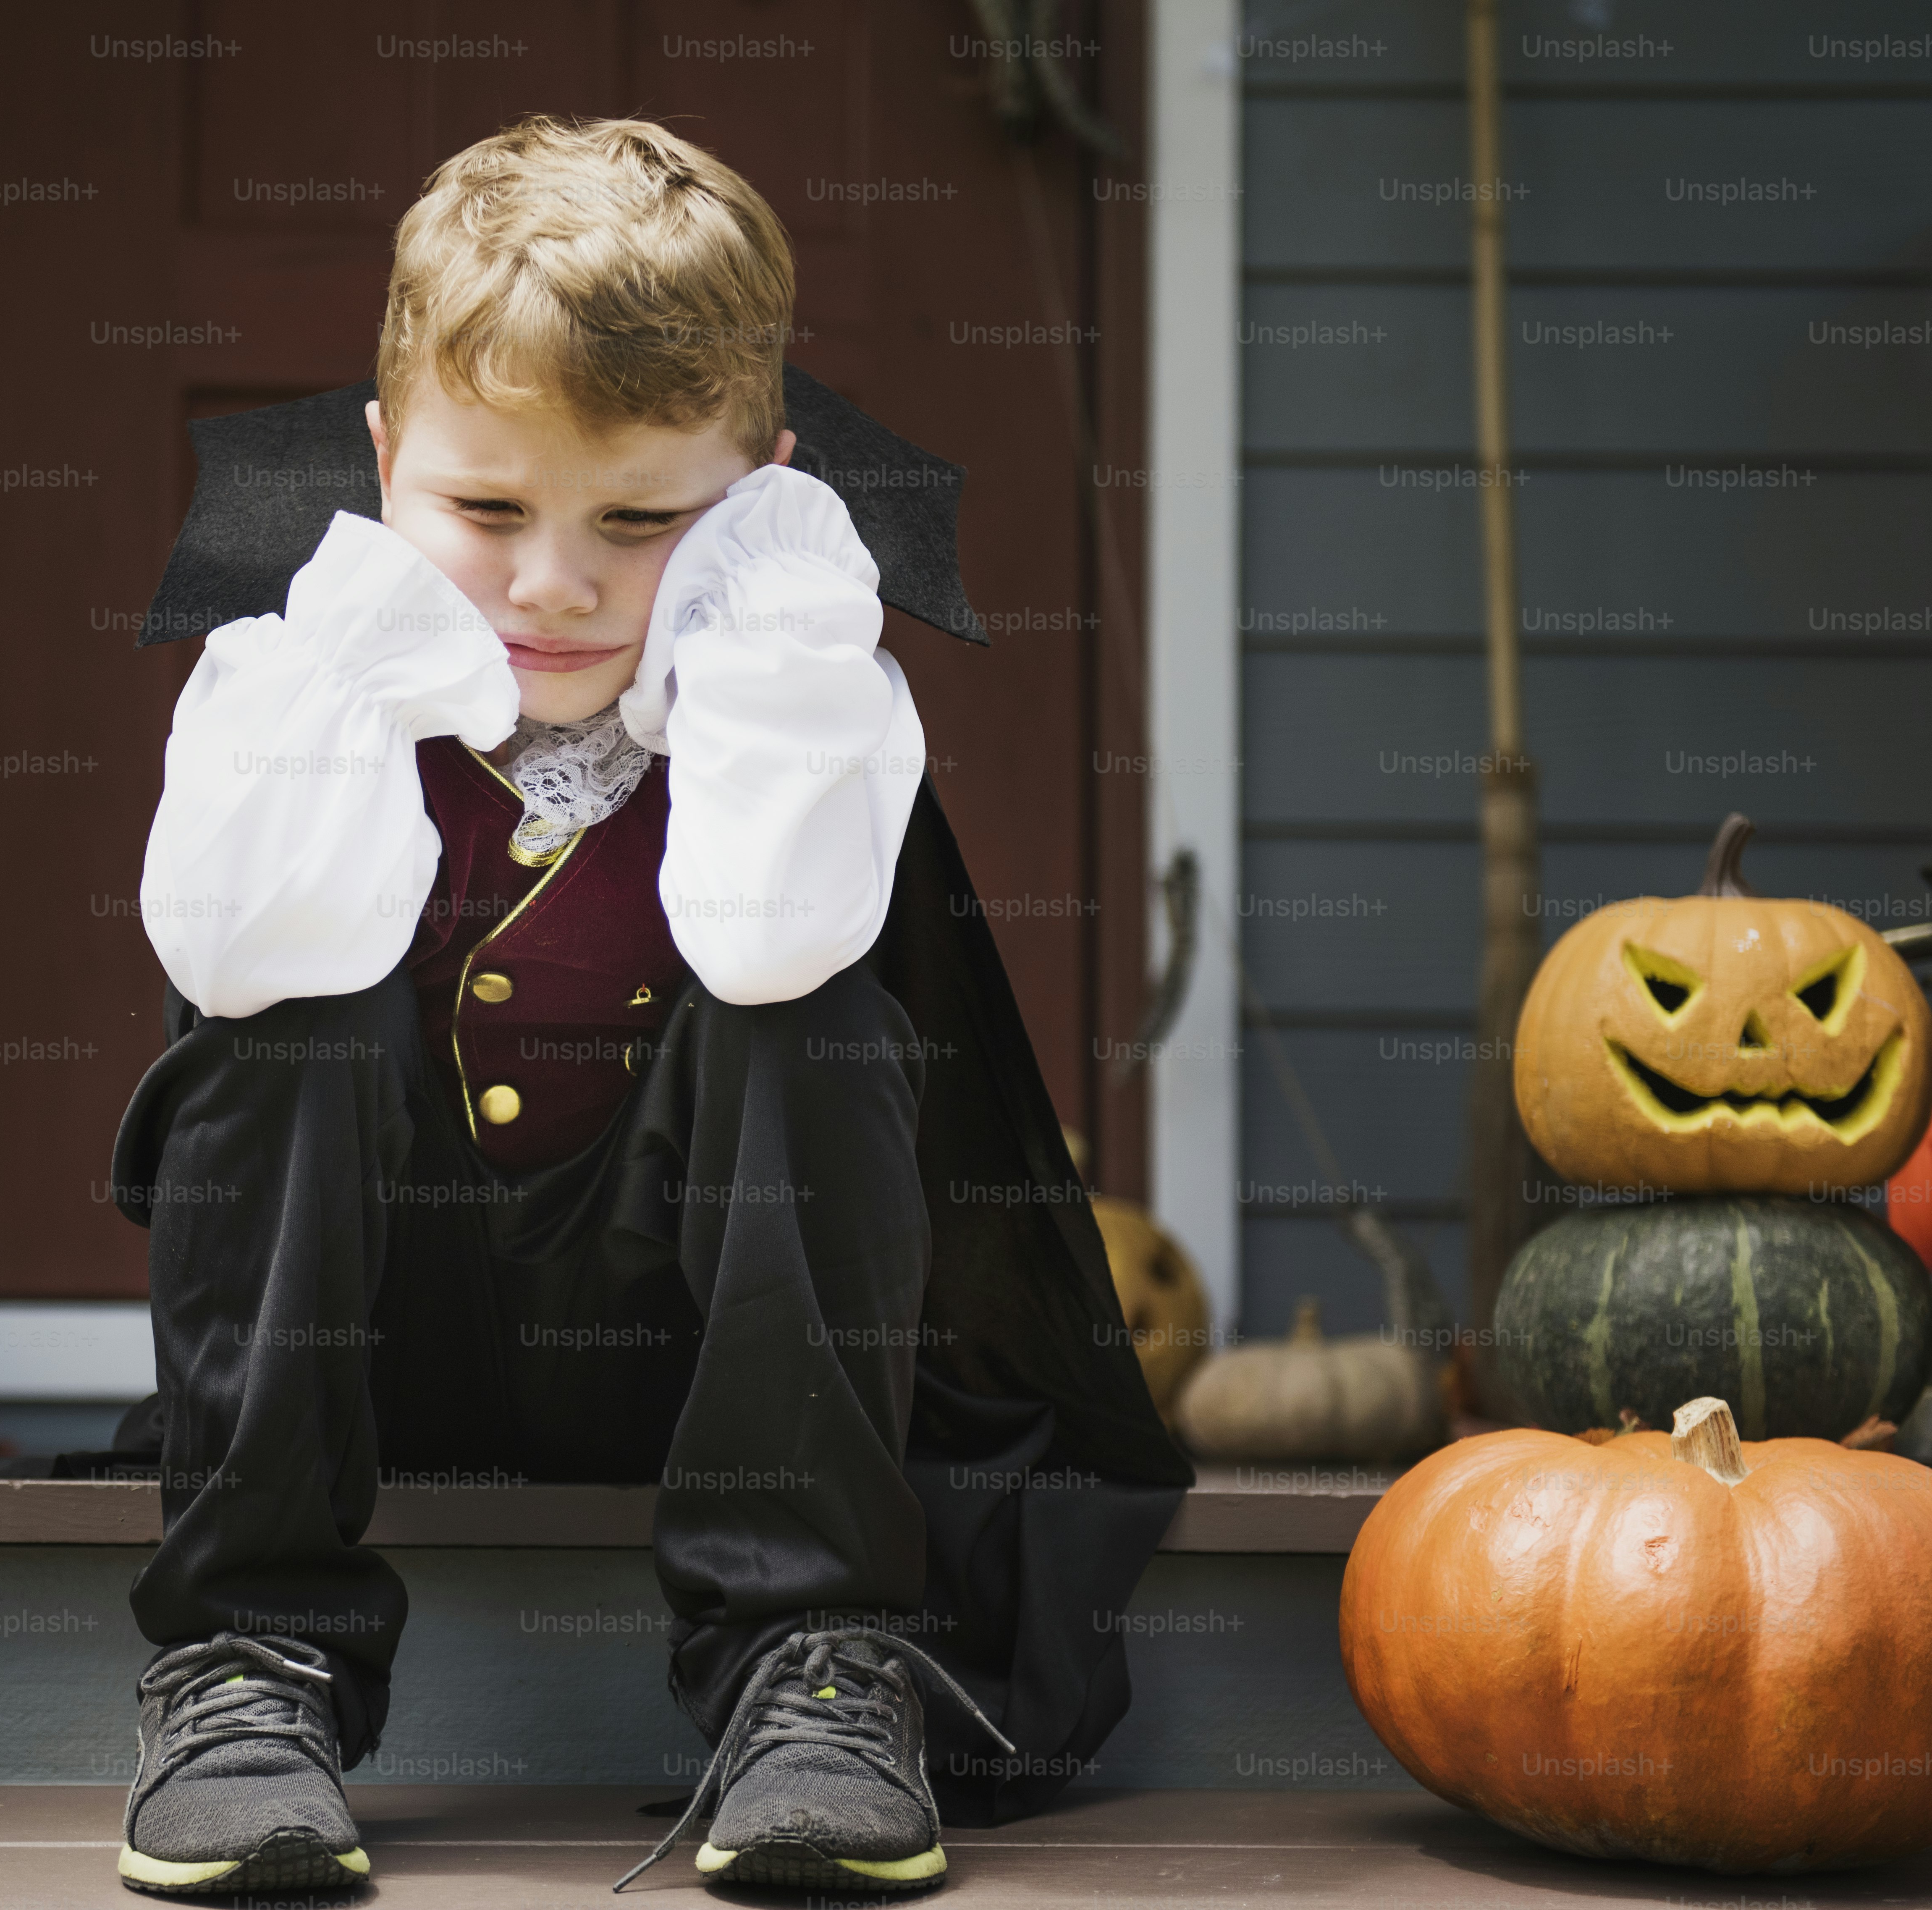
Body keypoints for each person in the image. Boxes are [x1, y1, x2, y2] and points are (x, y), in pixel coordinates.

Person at [109, 116, 1186, 1898]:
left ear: (761, 485)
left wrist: (764, 639)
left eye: (640, 520)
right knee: (295, 1011)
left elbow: (770, 939)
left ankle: (804, 1664)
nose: (554, 584)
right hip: (389, 1340)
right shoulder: (300, 683)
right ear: (381, 462)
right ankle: (249, 1656)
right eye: (482, 508)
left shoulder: (799, 695)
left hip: (719, 1363)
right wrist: (357, 676)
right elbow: (231, 947)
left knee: (814, 1017)